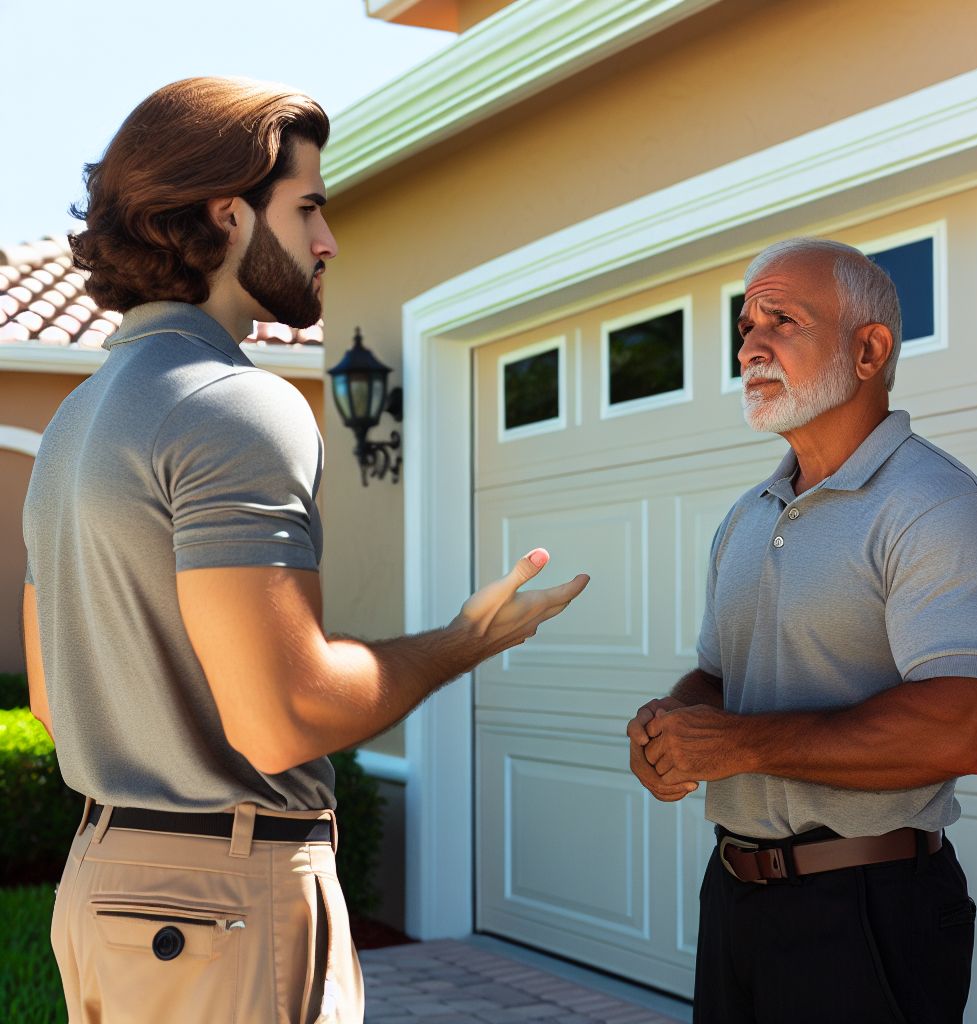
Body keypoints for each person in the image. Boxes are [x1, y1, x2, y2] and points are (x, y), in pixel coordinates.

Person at [21, 77, 589, 1024]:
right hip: (223, 905)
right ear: (228, 214)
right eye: (311, 207)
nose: (328, 241)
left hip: (104, 893)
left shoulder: (77, 422)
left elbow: (51, 696)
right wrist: (464, 640)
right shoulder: (234, 404)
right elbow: (284, 719)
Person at [626, 237, 977, 1024]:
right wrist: (669, 726)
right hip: (734, 896)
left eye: (782, 320)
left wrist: (737, 744)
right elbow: (716, 677)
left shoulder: (935, 508)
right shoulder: (748, 515)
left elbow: (964, 730)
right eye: (745, 327)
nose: (751, 347)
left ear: (868, 349)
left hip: (869, 910)